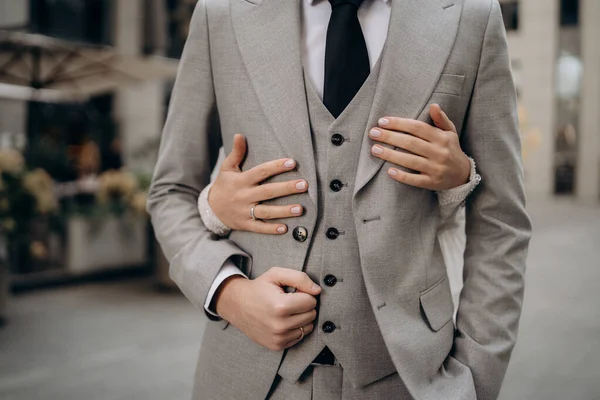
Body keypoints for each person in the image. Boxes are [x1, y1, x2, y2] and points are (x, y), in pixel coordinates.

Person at [147, 0, 532, 399]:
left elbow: (502, 221)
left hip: (411, 379)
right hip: (249, 376)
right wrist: (227, 293)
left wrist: (474, 381)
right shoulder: (222, 13)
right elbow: (170, 192)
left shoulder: (471, 15)